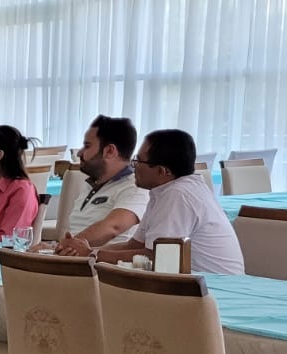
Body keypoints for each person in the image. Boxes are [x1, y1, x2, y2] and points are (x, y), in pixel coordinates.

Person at [56, 129, 243, 274]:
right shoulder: (165, 190)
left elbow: (158, 257)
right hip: (193, 281)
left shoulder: (178, 194)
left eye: (139, 162)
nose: (133, 167)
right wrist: (86, 251)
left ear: (162, 171)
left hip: (216, 287)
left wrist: (91, 254)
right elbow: (135, 246)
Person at [59, 115, 148, 246]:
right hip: (74, 256)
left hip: (102, 259)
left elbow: (113, 227)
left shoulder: (135, 187)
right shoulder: (91, 184)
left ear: (109, 151)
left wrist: (60, 247)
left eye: (87, 146)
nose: (79, 153)